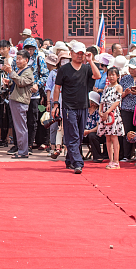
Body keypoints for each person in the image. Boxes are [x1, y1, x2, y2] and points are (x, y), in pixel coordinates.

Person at [50, 41, 101, 174]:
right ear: (71, 53)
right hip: (68, 107)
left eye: (82, 54)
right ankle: (78, 163)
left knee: (78, 134)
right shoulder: (64, 69)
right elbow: (57, 88)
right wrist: (56, 104)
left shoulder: (86, 68)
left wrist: (90, 61)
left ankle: (69, 160)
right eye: (77, 53)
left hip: (83, 106)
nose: (79, 56)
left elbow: (97, 76)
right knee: (72, 134)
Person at [6, 51, 34, 159]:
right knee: (19, 127)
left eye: (20, 59)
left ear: (26, 60)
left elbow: (21, 82)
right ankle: (22, 150)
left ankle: (23, 151)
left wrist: (11, 73)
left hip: (20, 101)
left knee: (21, 127)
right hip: (16, 100)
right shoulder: (20, 70)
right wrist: (8, 82)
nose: (17, 61)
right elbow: (17, 83)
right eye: (17, 59)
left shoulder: (28, 72)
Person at [98, 66, 126, 168]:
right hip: (105, 114)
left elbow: (117, 102)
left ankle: (116, 161)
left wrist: (108, 112)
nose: (111, 77)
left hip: (113, 113)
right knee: (108, 137)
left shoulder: (118, 87)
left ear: (118, 76)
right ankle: (110, 160)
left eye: (113, 75)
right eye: (109, 75)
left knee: (114, 137)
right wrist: (101, 112)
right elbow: (101, 101)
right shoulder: (106, 87)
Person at [83, 91, 106, 162]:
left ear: (93, 103)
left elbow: (99, 127)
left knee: (92, 135)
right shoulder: (85, 111)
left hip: (98, 135)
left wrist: (88, 131)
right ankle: (78, 156)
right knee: (75, 135)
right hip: (85, 133)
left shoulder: (98, 113)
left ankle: (97, 156)